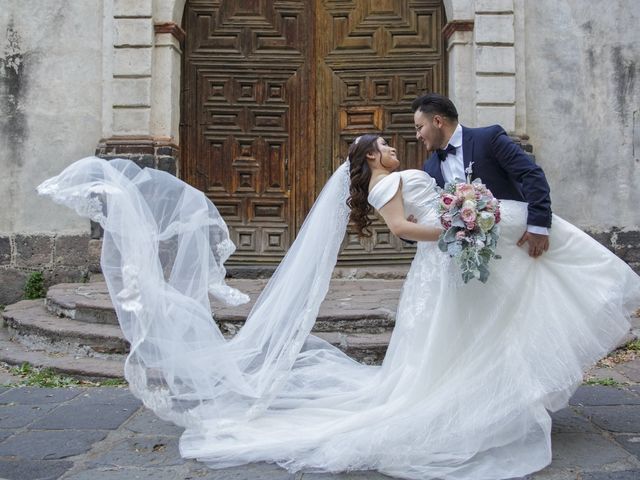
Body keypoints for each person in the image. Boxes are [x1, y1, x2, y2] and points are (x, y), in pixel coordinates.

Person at [36, 130, 640, 479]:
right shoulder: (384, 183)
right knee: (442, 354)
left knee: (460, 342)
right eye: (384, 142)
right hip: (444, 257)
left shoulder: (407, 171)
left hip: (449, 267)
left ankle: (493, 396)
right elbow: (404, 230)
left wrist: (465, 220)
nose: (394, 145)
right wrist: (461, 228)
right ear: (373, 157)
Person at [413, 93, 551, 258]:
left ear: (437, 121)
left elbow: (531, 174)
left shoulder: (488, 138)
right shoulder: (430, 167)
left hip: (515, 242)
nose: (417, 136)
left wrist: (538, 226)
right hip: (472, 257)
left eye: (419, 127)